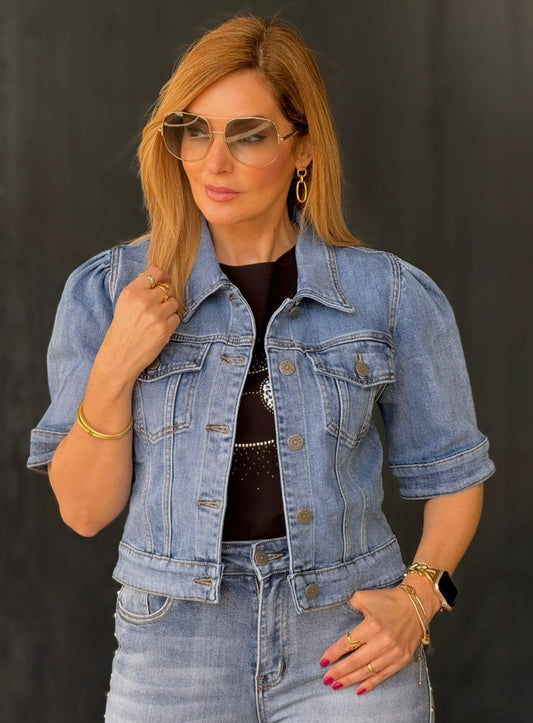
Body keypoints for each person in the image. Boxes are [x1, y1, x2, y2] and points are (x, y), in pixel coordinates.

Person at [27, 15, 495, 722]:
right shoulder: (107, 291)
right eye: (195, 131)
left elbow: (454, 475)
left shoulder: (389, 295)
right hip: (175, 645)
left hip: (345, 634)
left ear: (301, 148)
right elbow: (84, 511)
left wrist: (420, 597)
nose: (214, 162)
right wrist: (115, 365)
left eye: (248, 135)